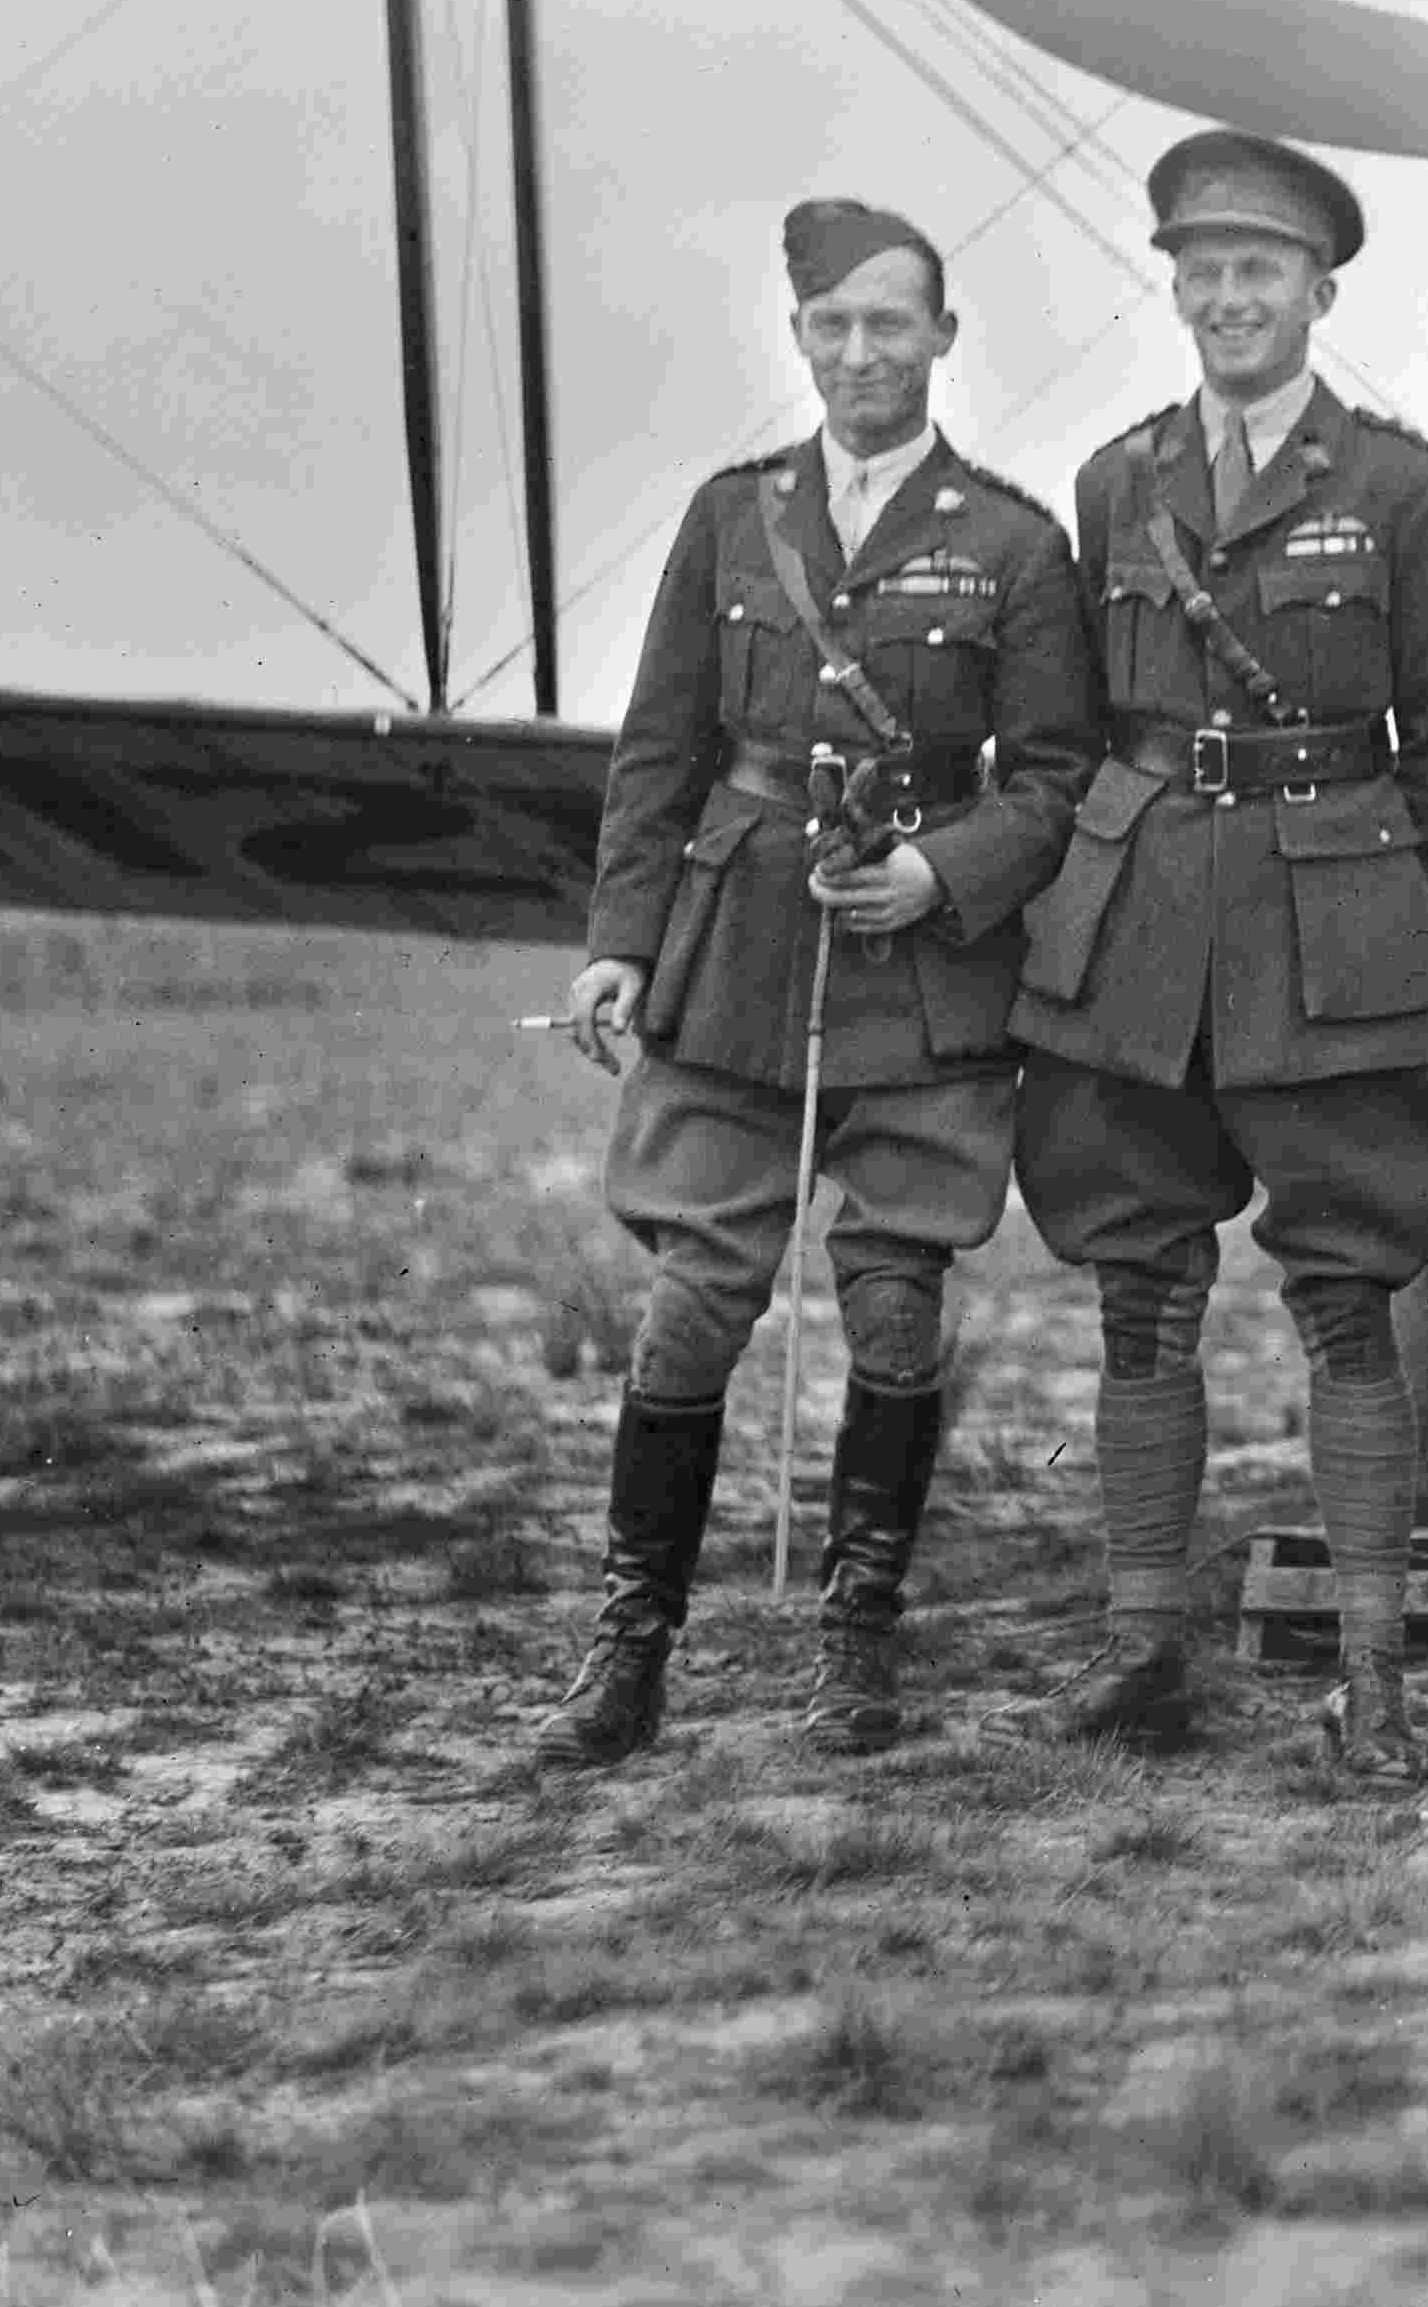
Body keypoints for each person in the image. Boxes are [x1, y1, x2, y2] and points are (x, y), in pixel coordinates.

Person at [539, 197, 1093, 1770]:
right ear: (798, 339)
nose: (862, 351)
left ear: (941, 338)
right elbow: (661, 752)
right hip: (735, 956)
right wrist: (618, 942)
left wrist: (941, 872)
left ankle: (859, 1636)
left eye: (890, 322)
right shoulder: (734, 519)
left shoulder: (1011, 541)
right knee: (692, 1303)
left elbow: (1052, 777)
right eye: (833, 325)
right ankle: (628, 1647)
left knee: (899, 1301)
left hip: (923, 968)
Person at [998, 132, 1428, 1787]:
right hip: (1134, 918)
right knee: (1140, 1286)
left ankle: (1372, 1677)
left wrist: (1332, 867)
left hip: (1325, 931)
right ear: (1177, 289)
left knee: (1351, 1298)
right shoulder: (1114, 482)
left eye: (1261, 273)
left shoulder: (1407, 493)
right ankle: (1142, 1648)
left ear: (1320, 292)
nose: (1230, 298)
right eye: (1203, 272)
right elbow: (1067, 727)